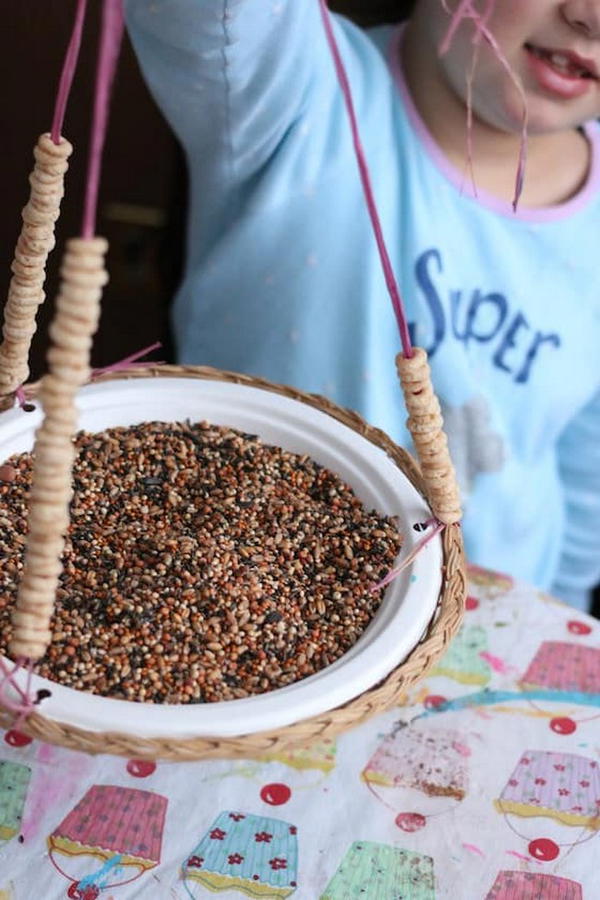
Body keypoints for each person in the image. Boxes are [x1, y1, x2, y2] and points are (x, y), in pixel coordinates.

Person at [124, 0, 600, 610]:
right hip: (246, 611)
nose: (589, 17)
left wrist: (562, 620)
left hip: (495, 633)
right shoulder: (296, 89)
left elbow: (585, 472)